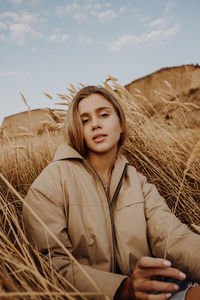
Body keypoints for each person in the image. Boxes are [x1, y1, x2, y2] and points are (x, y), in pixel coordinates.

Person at [23, 86, 200, 299]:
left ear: (121, 124)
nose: (95, 124)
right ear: (76, 129)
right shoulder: (51, 182)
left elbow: (172, 237)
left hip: (149, 287)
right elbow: (52, 265)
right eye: (85, 120)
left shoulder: (137, 181)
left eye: (104, 115)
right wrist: (122, 288)